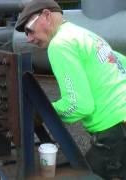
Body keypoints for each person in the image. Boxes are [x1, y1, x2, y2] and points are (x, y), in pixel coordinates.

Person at [15, 0, 126, 179]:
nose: (29, 38)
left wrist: (42, 112)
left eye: (29, 29)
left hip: (115, 131)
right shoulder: (84, 34)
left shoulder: (60, 44)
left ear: (46, 16)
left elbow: (79, 105)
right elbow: (121, 62)